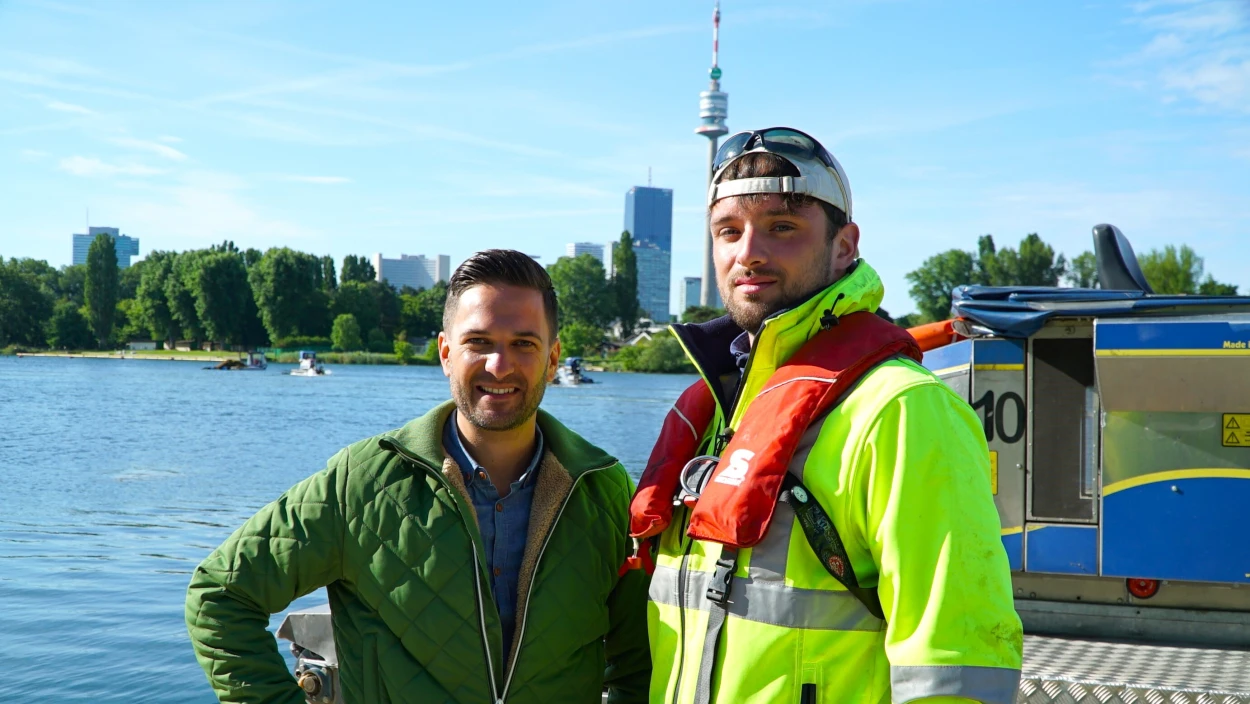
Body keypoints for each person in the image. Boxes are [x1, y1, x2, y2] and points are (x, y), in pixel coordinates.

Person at [629, 128, 1022, 703]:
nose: (748, 252)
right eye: (728, 231)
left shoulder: (902, 411)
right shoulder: (715, 413)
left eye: (782, 227)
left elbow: (957, 663)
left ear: (844, 246)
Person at [186, 249, 650, 703]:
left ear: (552, 359)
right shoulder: (363, 483)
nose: (499, 365)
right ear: (446, 353)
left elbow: (638, 660)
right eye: (479, 342)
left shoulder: (603, 489)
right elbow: (221, 596)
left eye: (523, 344)